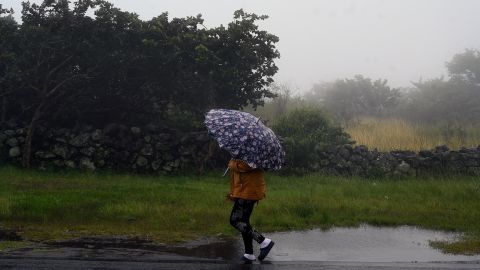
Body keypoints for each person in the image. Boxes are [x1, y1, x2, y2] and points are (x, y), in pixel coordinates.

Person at [227, 159, 274, 263]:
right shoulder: (248, 151)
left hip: (248, 191)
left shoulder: (252, 153)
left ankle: (263, 241)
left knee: (235, 220)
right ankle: (249, 253)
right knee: (244, 221)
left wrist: (232, 164)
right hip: (246, 190)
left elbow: (246, 166)